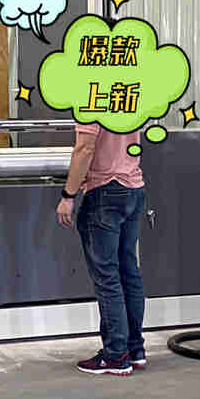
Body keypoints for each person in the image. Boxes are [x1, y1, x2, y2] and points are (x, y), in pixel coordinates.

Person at [56, 122, 145, 376]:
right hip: (134, 187)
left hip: (105, 191)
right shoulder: (130, 97)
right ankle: (134, 349)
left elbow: (84, 148)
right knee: (129, 272)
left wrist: (68, 195)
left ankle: (116, 355)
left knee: (108, 278)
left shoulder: (91, 102)